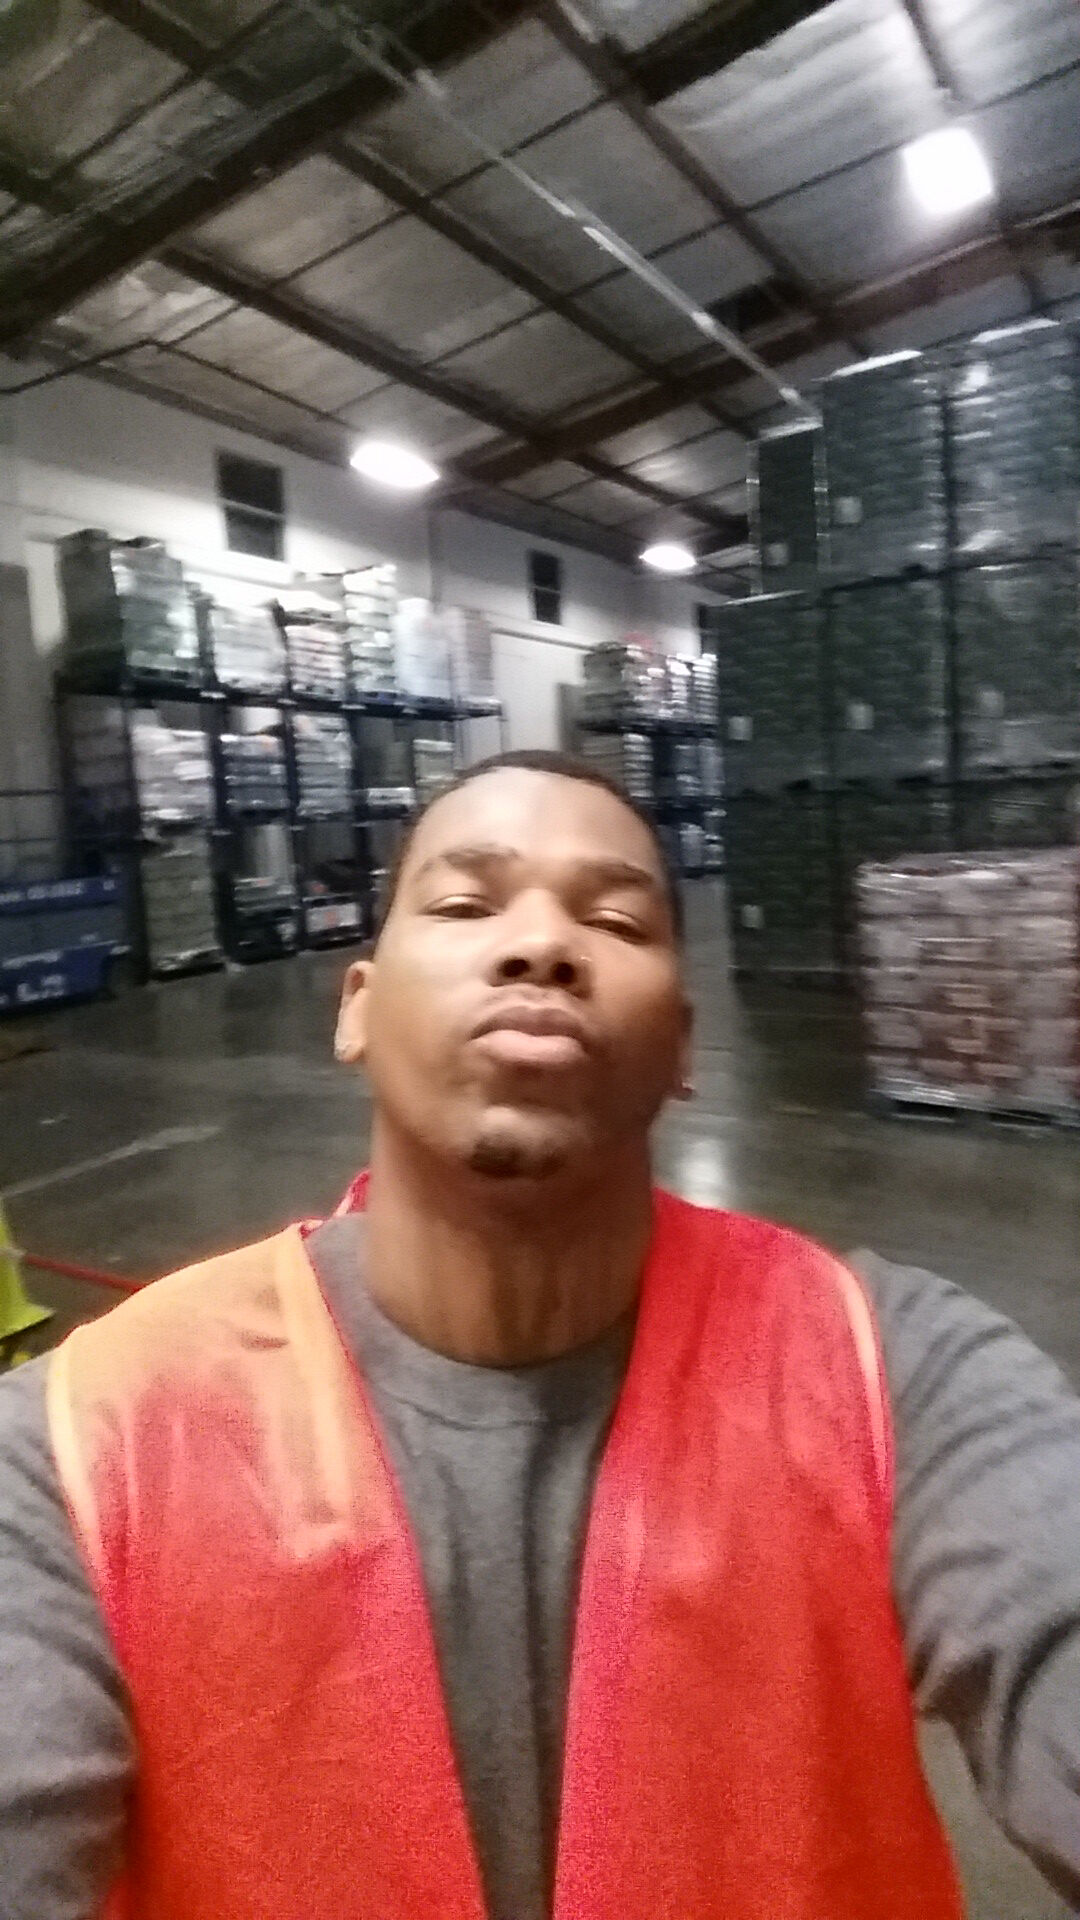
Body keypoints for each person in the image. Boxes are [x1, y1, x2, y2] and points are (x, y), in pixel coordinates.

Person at [1, 748, 1079, 1920]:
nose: (541, 946)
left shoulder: (893, 1376)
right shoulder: (78, 1452)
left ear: (682, 1046)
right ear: (356, 1006)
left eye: (614, 921)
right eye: (466, 905)